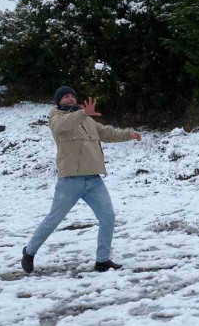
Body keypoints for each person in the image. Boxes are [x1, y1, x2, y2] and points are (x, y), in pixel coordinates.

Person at [22, 86, 141, 273]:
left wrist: (128, 134)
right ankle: (29, 252)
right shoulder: (55, 118)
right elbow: (64, 125)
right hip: (70, 181)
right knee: (54, 219)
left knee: (108, 217)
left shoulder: (87, 120)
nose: (70, 99)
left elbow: (107, 133)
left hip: (94, 180)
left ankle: (102, 260)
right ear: (59, 101)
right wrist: (83, 113)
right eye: (65, 96)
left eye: (72, 96)